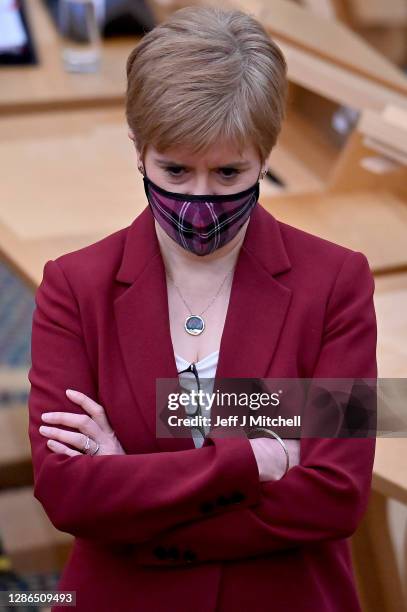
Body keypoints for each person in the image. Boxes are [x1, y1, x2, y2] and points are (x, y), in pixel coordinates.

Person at [28, 6, 377, 612]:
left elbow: (337, 496)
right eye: (175, 169)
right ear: (138, 151)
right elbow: (66, 495)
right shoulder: (73, 288)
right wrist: (255, 458)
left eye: (228, 172)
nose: (199, 199)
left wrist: (130, 484)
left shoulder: (338, 283)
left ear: (267, 157)